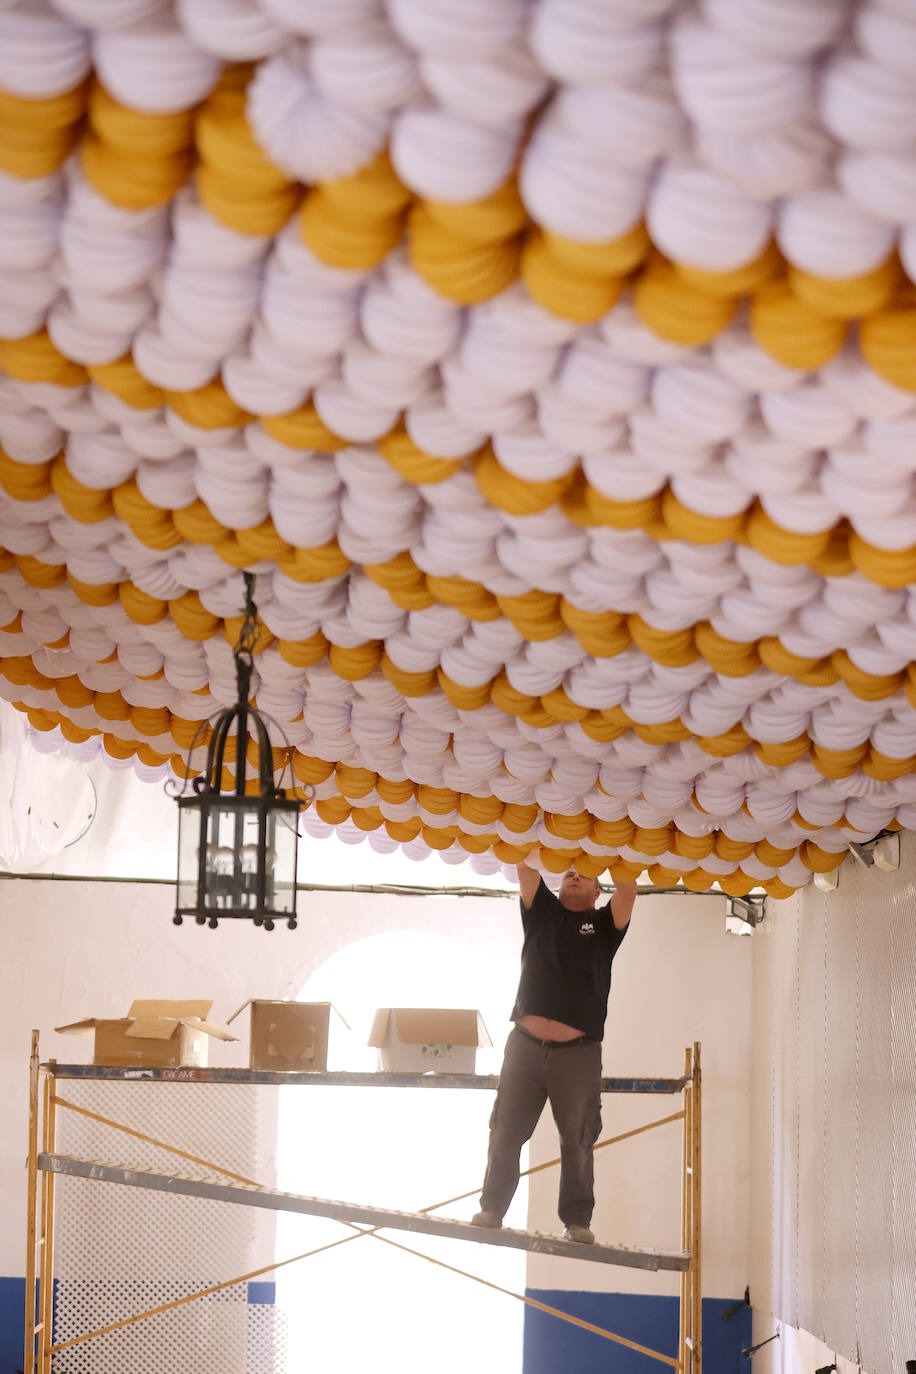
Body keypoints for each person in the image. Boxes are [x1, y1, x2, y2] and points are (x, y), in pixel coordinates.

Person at [471, 861, 638, 1245]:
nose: (574, 874)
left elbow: (628, 891)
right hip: (524, 1049)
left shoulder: (603, 928)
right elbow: (526, 869)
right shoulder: (541, 912)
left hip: (577, 1055)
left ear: (598, 892)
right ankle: (492, 1209)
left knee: (578, 1139)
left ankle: (577, 1221)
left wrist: (602, 849)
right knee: (505, 1133)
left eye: (585, 873)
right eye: (568, 872)